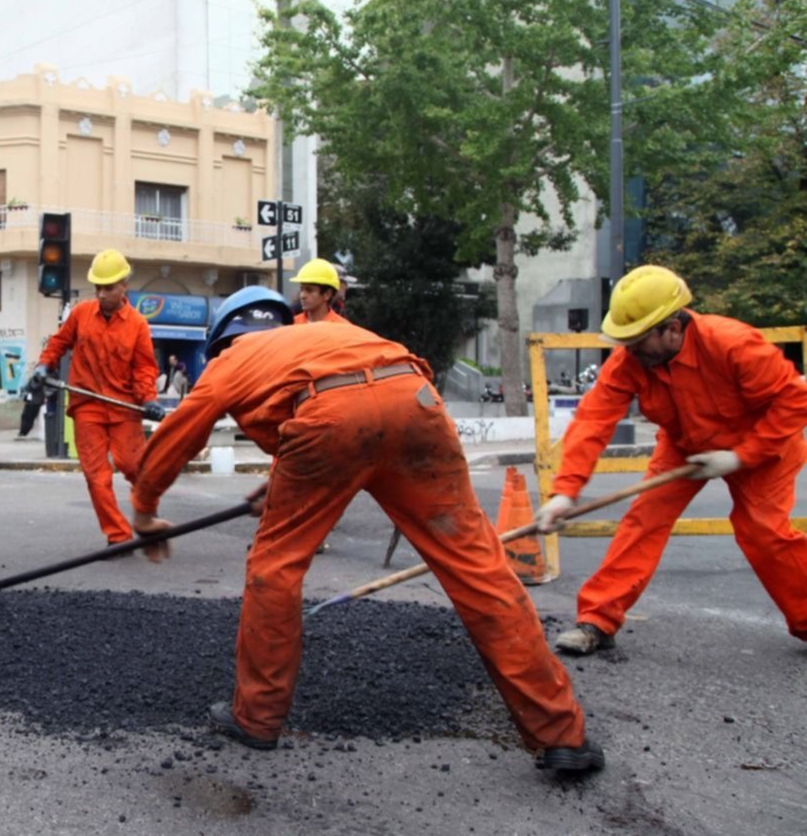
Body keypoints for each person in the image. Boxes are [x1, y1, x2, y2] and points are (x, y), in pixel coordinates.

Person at [128, 286, 602, 772]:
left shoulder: (235, 357)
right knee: (479, 570)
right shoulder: (330, 336)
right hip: (415, 402)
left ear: (223, 339)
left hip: (331, 420)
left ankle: (256, 717)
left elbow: (179, 435)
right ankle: (562, 733)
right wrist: (280, 482)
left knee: (275, 570)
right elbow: (353, 393)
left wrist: (145, 510)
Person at [533, 265, 807, 655]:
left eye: (638, 340)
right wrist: (565, 492)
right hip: (685, 445)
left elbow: (795, 401)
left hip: (761, 445)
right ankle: (597, 619)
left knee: (762, 531)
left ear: (673, 329)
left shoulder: (732, 344)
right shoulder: (631, 361)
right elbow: (594, 420)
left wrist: (739, 456)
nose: (629, 350)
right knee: (644, 519)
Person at [30, 250, 163, 546]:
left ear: (124, 286)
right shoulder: (80, 313)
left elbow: (144, 368)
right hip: (87, 404)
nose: (102, 294)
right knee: (96, 476)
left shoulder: (138, 325)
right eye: (98, 288)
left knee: (135, 468)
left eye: (109, 288)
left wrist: (148, 401)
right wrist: (43, 365)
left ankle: (146, 519)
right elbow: (59, 342)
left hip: (123, 408)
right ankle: (118, 536)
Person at [288, 258, 350, 325]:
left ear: (327, 294)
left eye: (309, 290)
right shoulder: (291, 325)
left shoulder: (342, 327)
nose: (302, 295)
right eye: (302, 289)